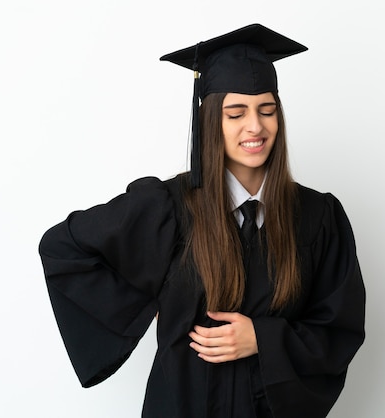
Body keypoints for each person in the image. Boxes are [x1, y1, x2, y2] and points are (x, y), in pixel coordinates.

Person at [39, 23, 365, 418]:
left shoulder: (316, 218)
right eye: (235, 113)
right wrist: (143, 304)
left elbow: (338, 329)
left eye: (267, 110)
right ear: (211, 119)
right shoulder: (168, 209)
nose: (255, 127)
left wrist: (263, 338)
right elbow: (63, 247)